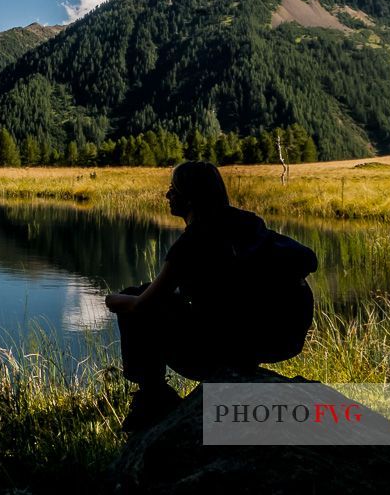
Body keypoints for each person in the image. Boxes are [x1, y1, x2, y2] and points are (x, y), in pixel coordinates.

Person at [105, 160, 313, 432]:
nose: (167, 196)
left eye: (173, 189)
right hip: (275, 342)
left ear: (189, 198)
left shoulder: (190, 244)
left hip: (218, 351)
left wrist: (113, 300)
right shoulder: (248, 223)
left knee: (134, 296)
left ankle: (152, 395)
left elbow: (142, 305)